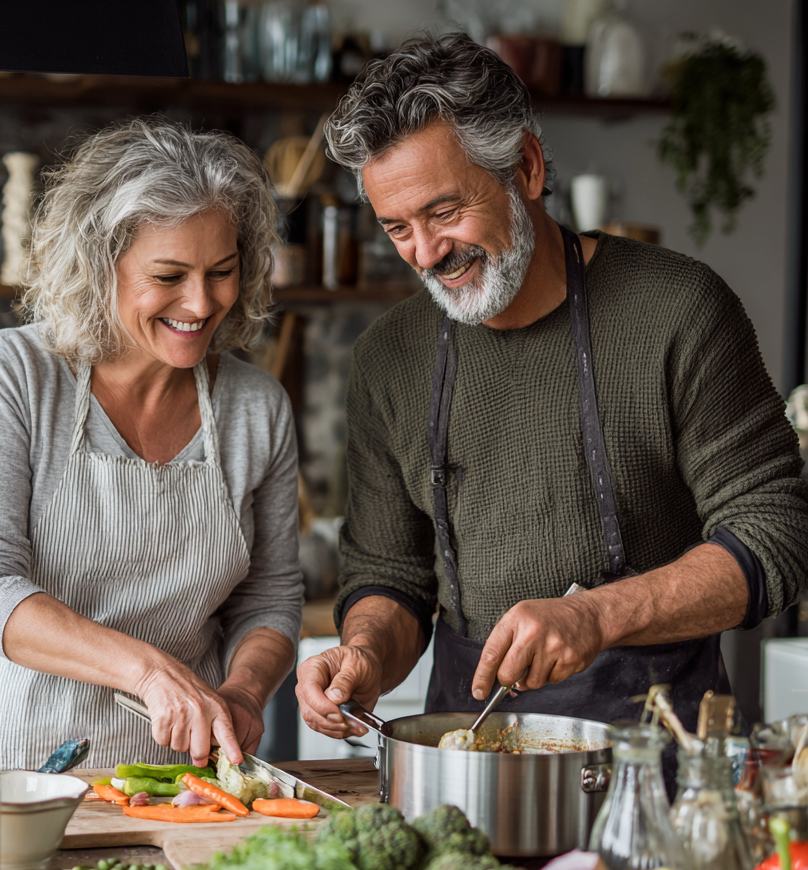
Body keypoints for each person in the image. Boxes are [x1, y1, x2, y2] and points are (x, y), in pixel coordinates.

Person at [295, 34, 808, 746]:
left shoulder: (678, 308)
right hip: (465, 761)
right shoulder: (390, 357)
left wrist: (596, 616)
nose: (424, 253)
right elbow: (391, 575)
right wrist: (364, 654)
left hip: (655, 762)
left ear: (527, 168)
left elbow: (776, 532)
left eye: (444, 212)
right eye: (396, 228)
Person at [0, 118, 302, 771]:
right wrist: (148, 671)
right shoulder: (12, 373)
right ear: (101, 264)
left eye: (222, 271)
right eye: (168, 276)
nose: (201, 302)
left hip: (188, 780)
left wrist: (244, 691)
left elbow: (269, 598)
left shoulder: (256, 407)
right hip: (22, 772)